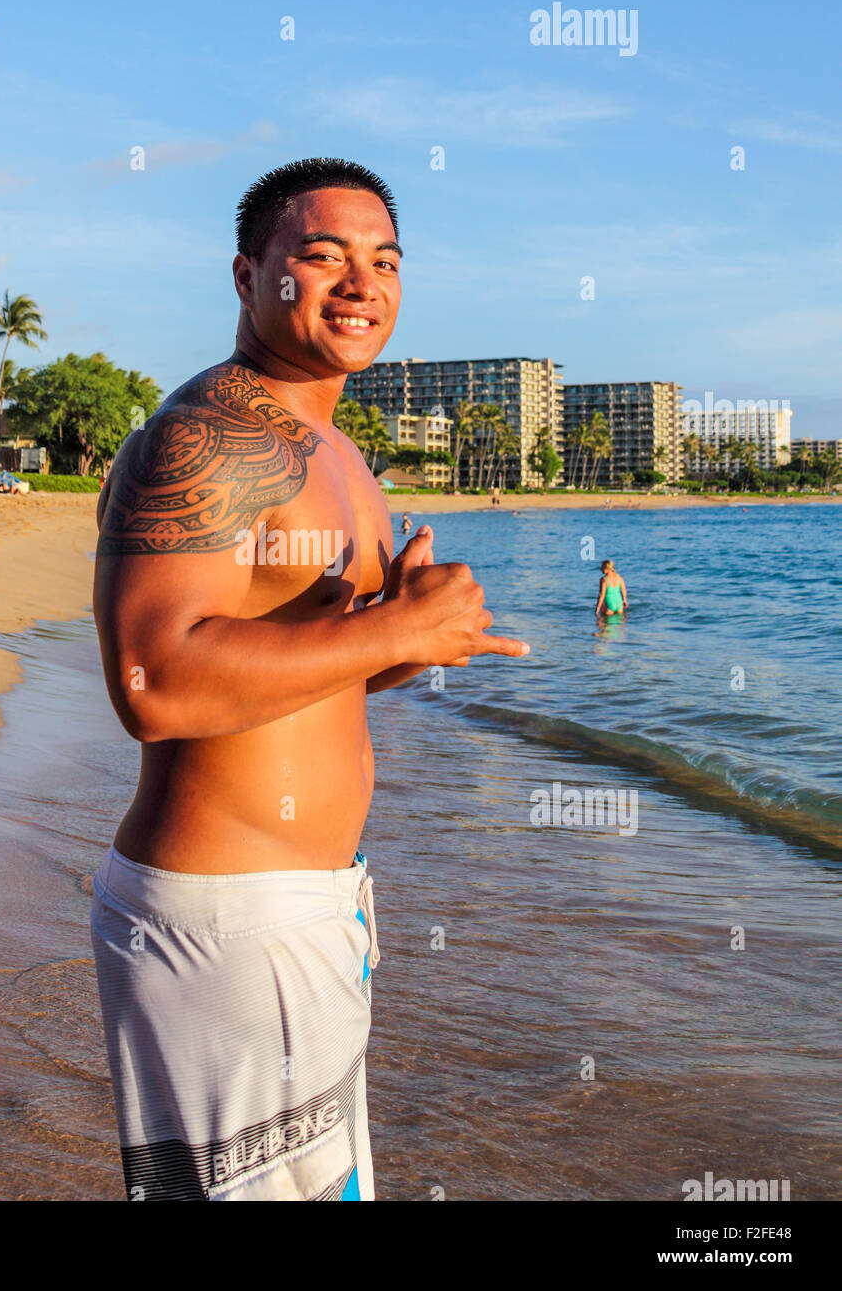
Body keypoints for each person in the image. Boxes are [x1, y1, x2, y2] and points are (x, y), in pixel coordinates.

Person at [91, 157, 529, 1202]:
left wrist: (402, 643)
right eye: (322, 256)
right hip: (230, 922)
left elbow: (291, 672)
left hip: (314, 904)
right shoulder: (210, 436)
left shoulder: (337, 450)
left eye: (383, 261)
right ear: (248, 277)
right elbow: (153, 681)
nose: (360, 283)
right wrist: (387, 634)